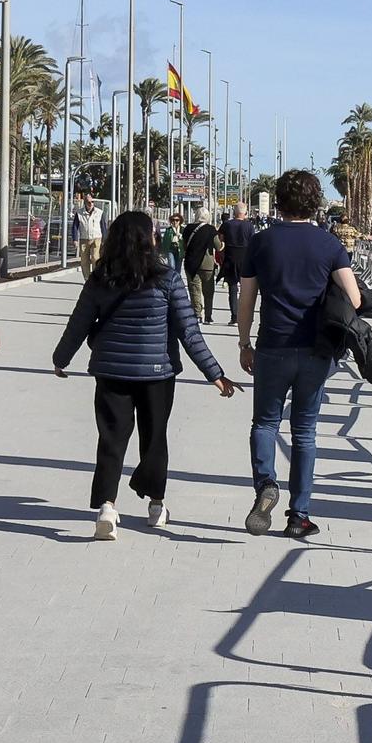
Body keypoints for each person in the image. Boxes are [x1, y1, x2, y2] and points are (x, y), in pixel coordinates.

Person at [52, 210, 237, 539]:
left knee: (111, 439)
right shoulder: (167, 278)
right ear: (148, 239)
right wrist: (216, 374)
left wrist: (61, 358)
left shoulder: (100, 277)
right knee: (154, 438)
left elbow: (79, 322)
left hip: (111, 372)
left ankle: (107, 507)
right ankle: (155, 505)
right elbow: (189, 332)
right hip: (157, 373)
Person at [238, 170, 361, 539]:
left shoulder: (261, 242)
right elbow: (354, 299)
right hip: (315, 350)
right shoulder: (328, 244)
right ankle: (299, 516)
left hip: (272, 345)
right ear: (314, 201)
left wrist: (245, 344)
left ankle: (265, 487)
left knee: (264, 424)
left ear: (278, 201)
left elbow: (247, 299)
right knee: (305, 432)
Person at [218, 201, 257, 326]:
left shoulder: (226, 225)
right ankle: (246, 317)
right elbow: (253, 243)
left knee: (232, 289)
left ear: (234, 213)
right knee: (246, 290)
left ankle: (234, 317)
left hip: (230, 259)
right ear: (245, 213)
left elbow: (220, 239)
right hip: (245, 260)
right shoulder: (249, 226)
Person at [182, 207, 221, 323]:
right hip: (207, 266)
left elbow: (184, 246)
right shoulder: (211, 229)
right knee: (208, 292)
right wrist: (223, 244)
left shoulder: (188, 229)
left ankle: (197, 314)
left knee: (195, 291)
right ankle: (208, 316)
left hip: (191, 264)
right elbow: (218, 246)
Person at [71, 190, 107, 278]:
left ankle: (95, 278)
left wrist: (105, 240)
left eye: (92, 201)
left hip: (96, 238)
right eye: (88, 202)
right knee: (84, 261)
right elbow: (75, 227)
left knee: (95, 258)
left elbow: (103, 227)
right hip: (84, 239)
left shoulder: (99, 212)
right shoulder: (79, 213)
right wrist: (75, 239)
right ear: (85, 202)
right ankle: (87, 278)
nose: (90, 204)